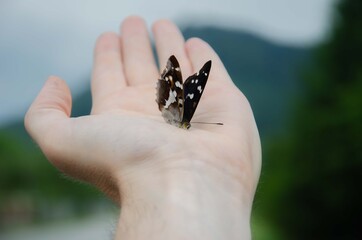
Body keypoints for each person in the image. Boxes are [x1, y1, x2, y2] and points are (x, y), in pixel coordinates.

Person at [25, 16, 261, 239]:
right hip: (169, 105)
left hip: (169, 107)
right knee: (186, 101)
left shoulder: (183, 120)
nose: (188, 126)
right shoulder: (181, 118)